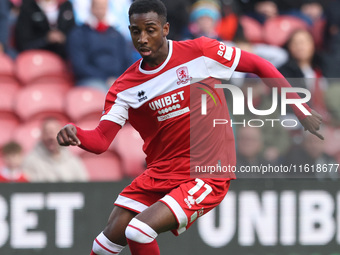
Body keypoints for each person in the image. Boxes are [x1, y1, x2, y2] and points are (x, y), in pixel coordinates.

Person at [56, 0, 323, 254]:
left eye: (150, 30)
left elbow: (259, 64)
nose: (143, 39)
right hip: (161, 171)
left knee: (138, 231)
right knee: (106, 241)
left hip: (206, 171)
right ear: (129, 32)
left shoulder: (201, 52)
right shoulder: (124, 88)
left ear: (165, 28)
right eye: (136, 32)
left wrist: (300, 109)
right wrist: (76, 133)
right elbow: (101, 140)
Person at [67, 0, 132, 91]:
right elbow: (80, 66)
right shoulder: (78, 34)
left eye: (103, 7)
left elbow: (128, 61)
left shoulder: (117, 34)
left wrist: (119, 79)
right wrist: (105, 79)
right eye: (97, 6)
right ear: (91, 8)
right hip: (91, 81)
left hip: (118, 80)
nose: (100, 10)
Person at [24, 117, 88, 182]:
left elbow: (83, 187)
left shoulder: (73, 162)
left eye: (54, 132)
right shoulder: (30, 162)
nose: (51, 137)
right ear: (42, 135)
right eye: (47, 132)